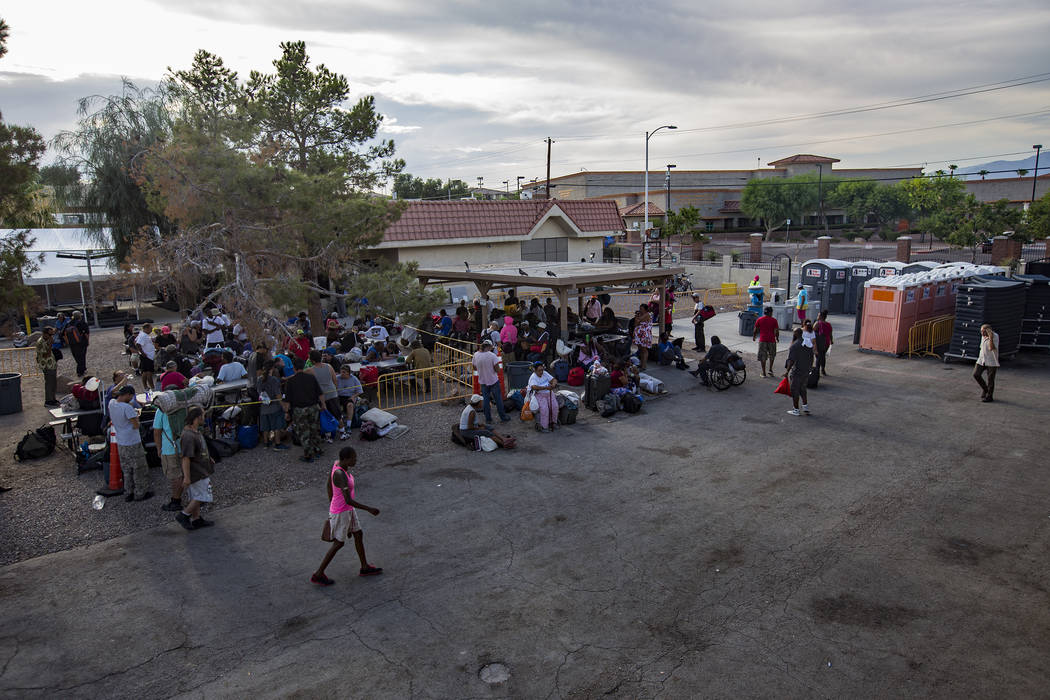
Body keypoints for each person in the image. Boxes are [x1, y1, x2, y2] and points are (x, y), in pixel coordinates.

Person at [311, 446, 382, 585]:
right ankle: (318, 574)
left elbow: (328, 485)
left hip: (346, 510)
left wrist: (331, 501)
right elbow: (348, 499)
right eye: (353, 458)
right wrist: (369, 509)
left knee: (358, 534)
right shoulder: (340, 474)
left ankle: (364, 567)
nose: (355, 460)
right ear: (346, 459)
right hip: (342, 511)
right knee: (339, 543)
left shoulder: (337, 464)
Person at [109, 385, 153, 501]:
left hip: (121, 441)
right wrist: (136, 415)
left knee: (127, 469)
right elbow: (136, 425)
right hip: (132, 441)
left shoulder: (112, 403)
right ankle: (140, 493)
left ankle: (128, 491)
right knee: (139, 468)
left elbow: (112, 393)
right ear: (128, 395)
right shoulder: (126, 408)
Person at [175, 406, 215, 530]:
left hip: (200, 469)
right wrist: (186, 477)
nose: (204, 418)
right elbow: (186, 457)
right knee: (202, 495)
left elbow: (200, 449)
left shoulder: (195, 432)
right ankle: (184, 515)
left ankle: (196, 519)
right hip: (196, 472)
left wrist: (209, 458)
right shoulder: (188, 436)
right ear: (197, 418)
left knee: (195, 495)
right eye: (202, 416)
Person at [282, 356, 326, 463]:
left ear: (294, 368)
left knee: (304, 432)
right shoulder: (311, 378)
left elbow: (287, 400)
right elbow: (320, 393)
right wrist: (323, 405)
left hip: (299, 410)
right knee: (314, 429)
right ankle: (318, 449)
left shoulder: (291, 381)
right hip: (313, 407)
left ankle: (308, 455)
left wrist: (287, 412)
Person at [152, 405, 185, 512]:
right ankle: (196, 498)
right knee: (187, 472)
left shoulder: (161, 410)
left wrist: (158, 448)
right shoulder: (183, 406)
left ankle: (176, 501)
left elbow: (157, 431)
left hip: (169, 448)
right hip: (185, 445)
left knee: (176, 476)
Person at [472, 340, 509, 425]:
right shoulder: (492, 356)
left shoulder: (476, 355)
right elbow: (497, 369)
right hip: (493, 380)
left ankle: (488, 419)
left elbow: (474, 368)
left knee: (486, 400)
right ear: (488, 347)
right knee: (498, 399)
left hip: (483, 381)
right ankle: (503, 417)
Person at [308, 349, 341, 440]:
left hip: (321, 395)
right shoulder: (329, 366)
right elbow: (335, 379)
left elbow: (300, 375)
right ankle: (343, 431)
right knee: (337, 413)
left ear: (312, 360)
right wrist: (335, 389)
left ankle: (327, 433)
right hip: (332, 392)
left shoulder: (310, 370)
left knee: (324, 415)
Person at [257, 360, 290, 450]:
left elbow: (259, 393)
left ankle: (266, 443)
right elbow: (278, 394)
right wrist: (283, 405)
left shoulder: (259, 379)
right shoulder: (274, 380)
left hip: (264, 406)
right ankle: (277, 443)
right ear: (272, 368)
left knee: (265, 427)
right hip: (275, 407)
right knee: (277, 426)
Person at [784, 328, 813, 416]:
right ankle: (805, 407)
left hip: (797, 371)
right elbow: (811, 357)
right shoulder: (808, 343)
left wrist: (787, 371)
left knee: (794, 390)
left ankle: (796, 409)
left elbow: (791, 360)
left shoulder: (795, 346)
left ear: (795, 334)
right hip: (806, 370)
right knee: (803, 389)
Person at [526, 361, 559, 433]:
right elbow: (534, 387)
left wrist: (553, 385)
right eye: (539, 370)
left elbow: (554, 380)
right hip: (539, 395)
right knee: (544, 409)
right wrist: (545, 388)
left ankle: (553, 422)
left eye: (542, 370)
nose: (541, 372)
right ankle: (544, 426)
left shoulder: (545, 373)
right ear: (535, 370)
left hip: (549, 393)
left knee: (554, 406)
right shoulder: (533, 377)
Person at [974, 323, 999, 403]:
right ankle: (985, 389)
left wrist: (990, 337)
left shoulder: (995, 336)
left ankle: (989, 396)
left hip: (991, 361)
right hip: (982, 359)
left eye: (984, 332)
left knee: (990, 379)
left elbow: (991, 348)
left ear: (988, 331)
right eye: (981, 331)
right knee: (976, 374)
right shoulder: (983, 336)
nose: (982, 333)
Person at [752, 307, 781, 378]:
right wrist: (777, 338)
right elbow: (777, 331)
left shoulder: (759, 319)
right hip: (771, 340)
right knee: (772, 355)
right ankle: (770, 369)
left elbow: (755, 330)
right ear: (770, 312)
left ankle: (764, 373)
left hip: (762, 340)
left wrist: (754, 337)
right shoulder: (774, 320)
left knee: (763, 356)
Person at [36, 326, 59, 407]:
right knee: (49, 383)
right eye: (49, 335)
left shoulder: (47, 340)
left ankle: (53, 399)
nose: (50, 337)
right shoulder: (41, 342)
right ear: (44, 334)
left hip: (51, 365)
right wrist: (50, 344)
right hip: (46, 365)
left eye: (51, 335)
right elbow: (46, 355)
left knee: (53, 383)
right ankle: (48, 401)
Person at [64, 310, 91, 376]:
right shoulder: (82, 323)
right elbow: (87, 333)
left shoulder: (68, 323)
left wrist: (68, 342)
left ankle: (82, 369)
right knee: (82, 356)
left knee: (76, 356)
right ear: (80, 316)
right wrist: (87, 341)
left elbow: (63, 334)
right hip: (81, 342)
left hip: (72, 343)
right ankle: (80, 371)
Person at [134, 323, 157, 391]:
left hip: (147, 356)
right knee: (149, 373)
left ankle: (146, 387)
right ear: (146, 328)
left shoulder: (142, 334)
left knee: (144, 372)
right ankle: (152, 388)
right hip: (147, 356)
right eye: (150, 329)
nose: (151, 330)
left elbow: (135, 341)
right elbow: (138, 344)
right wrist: (142, 353)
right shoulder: (143, 336)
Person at [814, 310, 834, 377]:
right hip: (826, 342)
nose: (817, 316)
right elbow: (830, 334)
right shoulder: (828, 324)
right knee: (822, 356)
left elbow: (812, 332)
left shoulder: (818, 323)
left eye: (818, 315)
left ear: (821, 316)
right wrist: (831, 341)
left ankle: (817, 371)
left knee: (818, 357)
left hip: (819, 343)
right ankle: (823, 369)